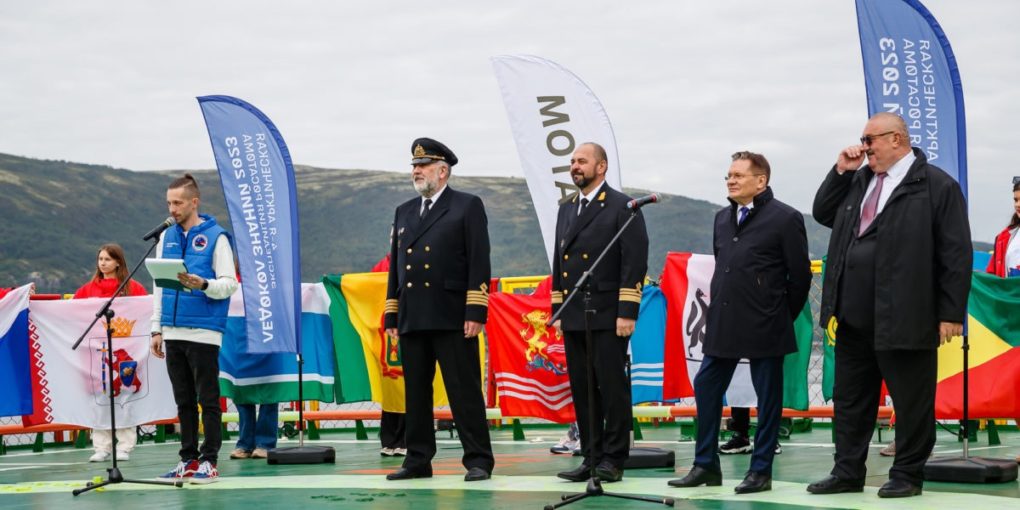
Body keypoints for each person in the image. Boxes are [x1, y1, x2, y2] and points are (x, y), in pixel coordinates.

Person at [808, 113, 971, 498]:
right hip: (853, 315)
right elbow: (823, 212)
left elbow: (956, 253)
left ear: (896, 139)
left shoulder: (936, 186)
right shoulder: (860, 180)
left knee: (912, 400)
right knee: (851, 400)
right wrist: (841, 171)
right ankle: (847, 471)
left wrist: (950, 313)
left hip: (906, 313)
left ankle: (907, 474)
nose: (863, 148)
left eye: (870, 140)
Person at [669, 151, 810, 494]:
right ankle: (705, 465)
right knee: (706, 385)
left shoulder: (785, 218)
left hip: (766, 322)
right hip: (724, 321)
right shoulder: (721, 218)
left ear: (761, 181)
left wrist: (778, 314)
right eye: (728, 176)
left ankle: (761, 471)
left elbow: (800, 277)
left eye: (738, 175)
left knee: (768, 399)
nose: (730, 181)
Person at [383, 138, 494, 482]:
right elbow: (396, 267)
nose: (416, 171)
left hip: (452, 315)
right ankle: (417, 459)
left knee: (463, 391)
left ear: (442, 171)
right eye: (415, 166)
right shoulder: (404, 211)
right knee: (416, 393)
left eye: (423, 165)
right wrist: (391, 312)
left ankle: (478, 459)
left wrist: (475, 311)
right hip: (413, 314)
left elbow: (479, 260)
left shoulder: (466, 206)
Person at [551, 142, 649, 484]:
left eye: (582, 161)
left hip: (608, 313)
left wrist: (627, 311)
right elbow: (559, 262)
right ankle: (590, 457)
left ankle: (614, 458)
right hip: (575, 313)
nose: (575, 166)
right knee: (583, 389)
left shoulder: (623, 206)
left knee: (610, 388)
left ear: (602, 166)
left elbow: (634, 261)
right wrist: (559, 308)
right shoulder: (566, 209)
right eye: (572, 161)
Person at [149, 173, 239, 484]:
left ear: (194, 202)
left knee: (208, 399)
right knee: (183, 400)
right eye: (169, 203)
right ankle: (187, 459)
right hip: (173, 330)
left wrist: (204, 284)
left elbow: (229, 284)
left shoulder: (217, 237)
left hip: (203, 330)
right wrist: (156, 328)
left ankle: (209, 460)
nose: (172, 209)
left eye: (177, 203)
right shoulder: (166, 237)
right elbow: (159, 286)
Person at [74, 243, 148, 462]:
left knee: (125, 398)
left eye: (107, 259)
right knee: (99, 399)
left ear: (118, 262)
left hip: (126, 353)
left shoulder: (133, 288)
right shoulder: (87, 290)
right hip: (97, 353)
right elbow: (72, 313)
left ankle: (125, 446)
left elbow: (146, 311)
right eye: (100, 259)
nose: (103, 263)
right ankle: (101, 447)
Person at [986, 180, 1020, 278]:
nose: (1017, 204)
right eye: (1016, 200)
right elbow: (991, 276)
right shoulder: (1003, 238)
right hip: (1010, 288)